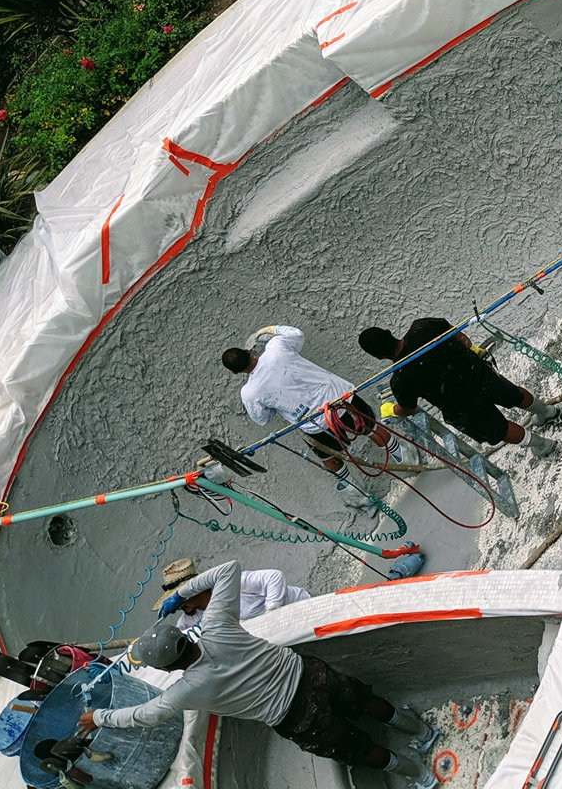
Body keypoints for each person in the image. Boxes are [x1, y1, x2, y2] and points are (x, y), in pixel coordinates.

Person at [79, 561, 439, 787]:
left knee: (358, 749)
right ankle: (420, 730)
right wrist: (184, 591)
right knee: (363, 698)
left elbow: (145, 715)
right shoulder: (218, 625)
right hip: (310, 673)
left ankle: (420, 776)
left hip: (297, 718)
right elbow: (228, 569)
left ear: (169, 668)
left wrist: (98, 716)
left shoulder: (187, 689)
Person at [223, 325, 401, 511]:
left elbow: (262, 419)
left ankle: (362, 500)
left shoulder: (250, 393)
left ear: (235, 372)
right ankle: (405, 460)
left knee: (329, 457)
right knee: (371, 428)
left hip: (316, 425)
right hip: (342, 399)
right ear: (247, 351)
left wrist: (275, 403)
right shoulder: (276, 347)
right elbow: (296, 334)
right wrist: (267, 331)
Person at [358, 319, 562, 458]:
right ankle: (548, 412)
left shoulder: (400, 380)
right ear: (388, 331)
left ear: (379, 357)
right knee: (514, 395)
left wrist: (391, 409)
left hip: (464, 406)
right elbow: (456, 333)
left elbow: (408, 409)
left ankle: (542, 445)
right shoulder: (422, 327)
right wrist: (470, 347)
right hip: (479, 373)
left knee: (500, 428)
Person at [154, 558, 310, 631]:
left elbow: (274, 577)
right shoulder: (189, 620)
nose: (180, 607)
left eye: (181, 600)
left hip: (300, 608)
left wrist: (271, 614)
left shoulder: (233, 582)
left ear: (195, 589)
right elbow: (179, 636)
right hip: (279, 632)